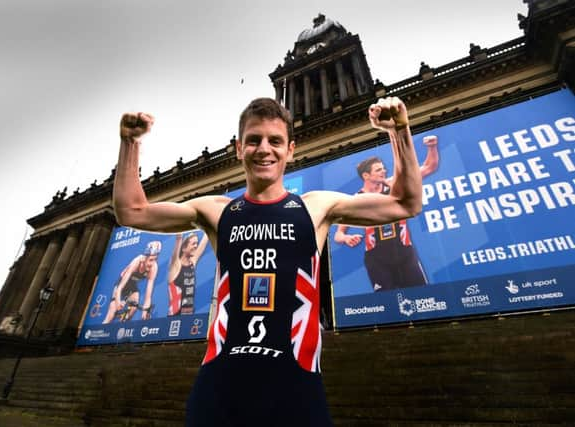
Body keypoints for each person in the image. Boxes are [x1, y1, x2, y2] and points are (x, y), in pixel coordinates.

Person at [114, 96, 422, 426]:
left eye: (275, 141)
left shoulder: (316, 207)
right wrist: (130, 143)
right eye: (253, 140)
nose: (264, 149)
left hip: (295, 385)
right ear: (238, 148)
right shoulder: (217, 211)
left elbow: (406, 203)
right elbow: (131, 211)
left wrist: (399, 131)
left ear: (290, 149)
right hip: (221, 386)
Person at [334, 136, 438, 291]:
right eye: (379, 170)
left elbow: (429, 167)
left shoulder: (394, 185)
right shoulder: (356, 200)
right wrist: (346, 238)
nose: (384, 171)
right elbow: (338, 235)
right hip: (377, 260)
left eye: (383, 168)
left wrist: (432, 147)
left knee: (424, 296)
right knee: (387, 305)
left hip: (405, 253)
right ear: (366, 176)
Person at [102, 241, 161, 323]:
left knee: (134, 308)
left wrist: (145, 310)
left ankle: (123, 325)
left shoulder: (154, 268)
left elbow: (148, 296)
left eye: (155, 259)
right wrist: (118, 302)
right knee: (112, 312)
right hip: (121, 284)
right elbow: (120, 288)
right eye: (151, 260)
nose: (152, 263)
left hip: (132, 286)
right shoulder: (137, 261)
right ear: (145, 257)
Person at [167, 232, 208, 315]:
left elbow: (204, 242)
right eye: (193, 244)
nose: (196, 246)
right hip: (174, 316)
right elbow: (177, 245)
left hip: (189, 315)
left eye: (196, 243)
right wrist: (179, 238)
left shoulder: (192, 262)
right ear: (183, 248)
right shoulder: (175, 265)